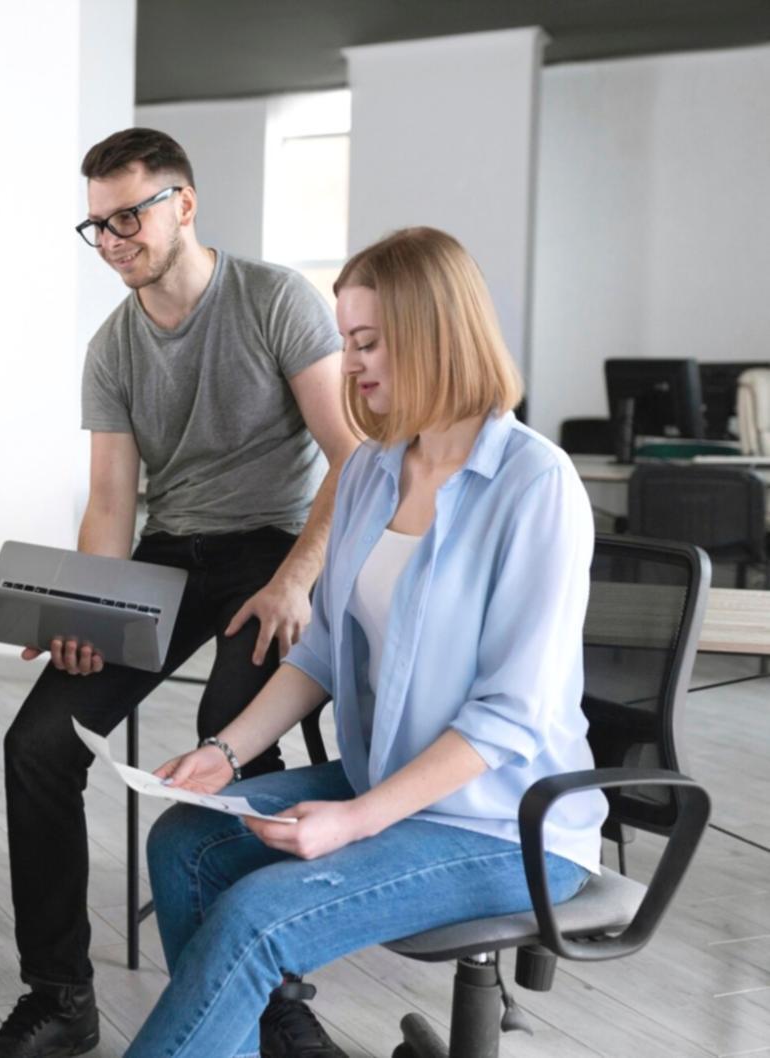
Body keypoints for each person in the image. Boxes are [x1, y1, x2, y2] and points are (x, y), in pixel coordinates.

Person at [123, 227, 608, 1058]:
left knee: (257, 918)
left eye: (367, 342)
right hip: (385, 779)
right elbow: (318, 653)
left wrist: (354, 821)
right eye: (347, 342)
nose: (349, 364)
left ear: (434, 333)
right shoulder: (375, 470)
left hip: (505, 825)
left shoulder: (536, 485)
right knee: (186, 841)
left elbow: (508, 716)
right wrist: (226, 752)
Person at [0, 128, 359, 1058]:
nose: (111, 240)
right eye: (96, 225)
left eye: (127, 217)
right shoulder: (112, 347)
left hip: (276, 544)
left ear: (183, 204)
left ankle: (276, 1001)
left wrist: (295, 580)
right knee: (36, 742)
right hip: (169, 555)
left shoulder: (275, 299)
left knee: (234, 727)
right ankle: (60, 997)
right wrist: (86, 613)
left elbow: (353, 457)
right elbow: (112, 502)